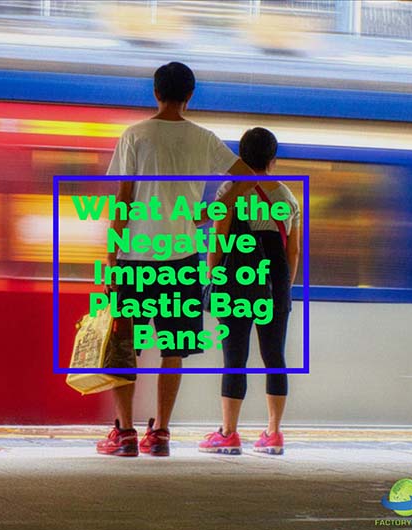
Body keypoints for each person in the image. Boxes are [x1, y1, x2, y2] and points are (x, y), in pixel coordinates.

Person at [97, 62, 256, 457]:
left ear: (155, 92)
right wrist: (209, 213)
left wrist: (112, 257)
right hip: (181, 257)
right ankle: (162, 433)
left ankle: (126, 434)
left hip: (134, 254)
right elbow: (248, 178)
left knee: (125, 344)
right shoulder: (202, 138)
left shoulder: (135, 135)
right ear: (190, 96)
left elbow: (124, 199)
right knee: (173, 347)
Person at [198, 127, 300, 456]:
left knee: (234, 359)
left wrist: (214, 275)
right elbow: (293, 251)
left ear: (241, 157)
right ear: (273, 160)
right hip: (275, 282)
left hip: (236, 281)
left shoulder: (231, 190)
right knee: (275, 358)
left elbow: (219, 239)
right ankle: (273, 434)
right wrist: (283, 287)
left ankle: (228, 434)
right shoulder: (287, 197)